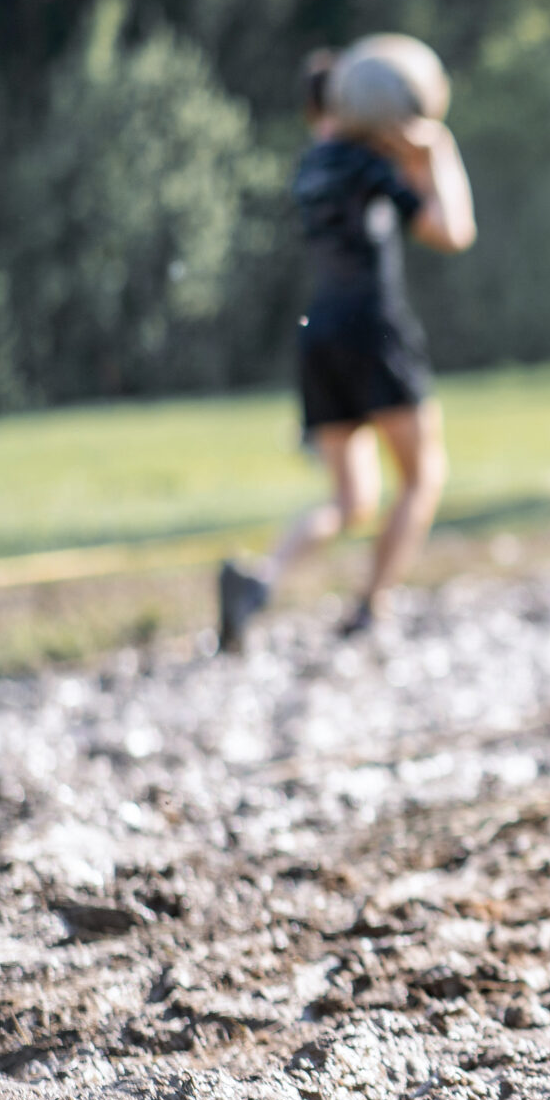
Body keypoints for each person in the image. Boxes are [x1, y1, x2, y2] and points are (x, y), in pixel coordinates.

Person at [218, 48, 477, 652]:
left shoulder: (312, 166)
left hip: (319, 334)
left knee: (351, 499)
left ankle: (260, 580)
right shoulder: (370, 166)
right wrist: (437, 151)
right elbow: (452, 232)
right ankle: (369, 606)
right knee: (422, 476)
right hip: (374, 329)